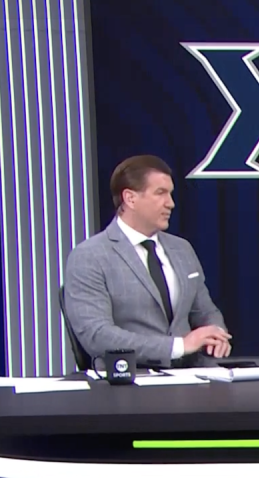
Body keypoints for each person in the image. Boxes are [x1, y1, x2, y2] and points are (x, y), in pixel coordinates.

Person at [63, 155, 231, 368]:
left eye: (170, 194)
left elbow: (204, 311)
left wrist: (216, 334)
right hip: (130, 378)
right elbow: (97, 336)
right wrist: (178, 346)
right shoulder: (90, 256)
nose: (171, 203)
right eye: (160, 193)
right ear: (130, 198)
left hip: (192, 374)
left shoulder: (182, 249)